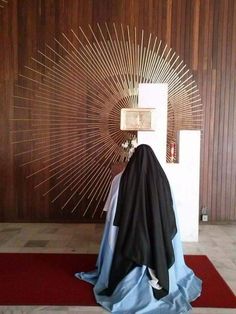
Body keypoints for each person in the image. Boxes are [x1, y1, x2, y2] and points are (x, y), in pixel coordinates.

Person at [75, 144, 202, 313]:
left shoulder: (120, 179)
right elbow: (170, 211)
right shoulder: (162, 179)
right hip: (156, 233)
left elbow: (112, 211)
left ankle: (128, 276)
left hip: (128, 235)